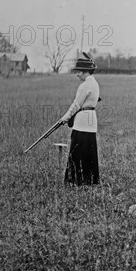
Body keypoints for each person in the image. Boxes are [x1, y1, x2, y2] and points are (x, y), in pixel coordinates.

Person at [60, 52, 100, 186]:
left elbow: (76, 105)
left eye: (79, 72)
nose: (77, 74)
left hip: (82, 122)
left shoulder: (84, 86)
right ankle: (88, 181)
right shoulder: (94, 83)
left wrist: (65, 117)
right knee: (89, 152)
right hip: (91, 122)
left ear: (85, 72)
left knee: (77, 152)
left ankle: (75, 181)